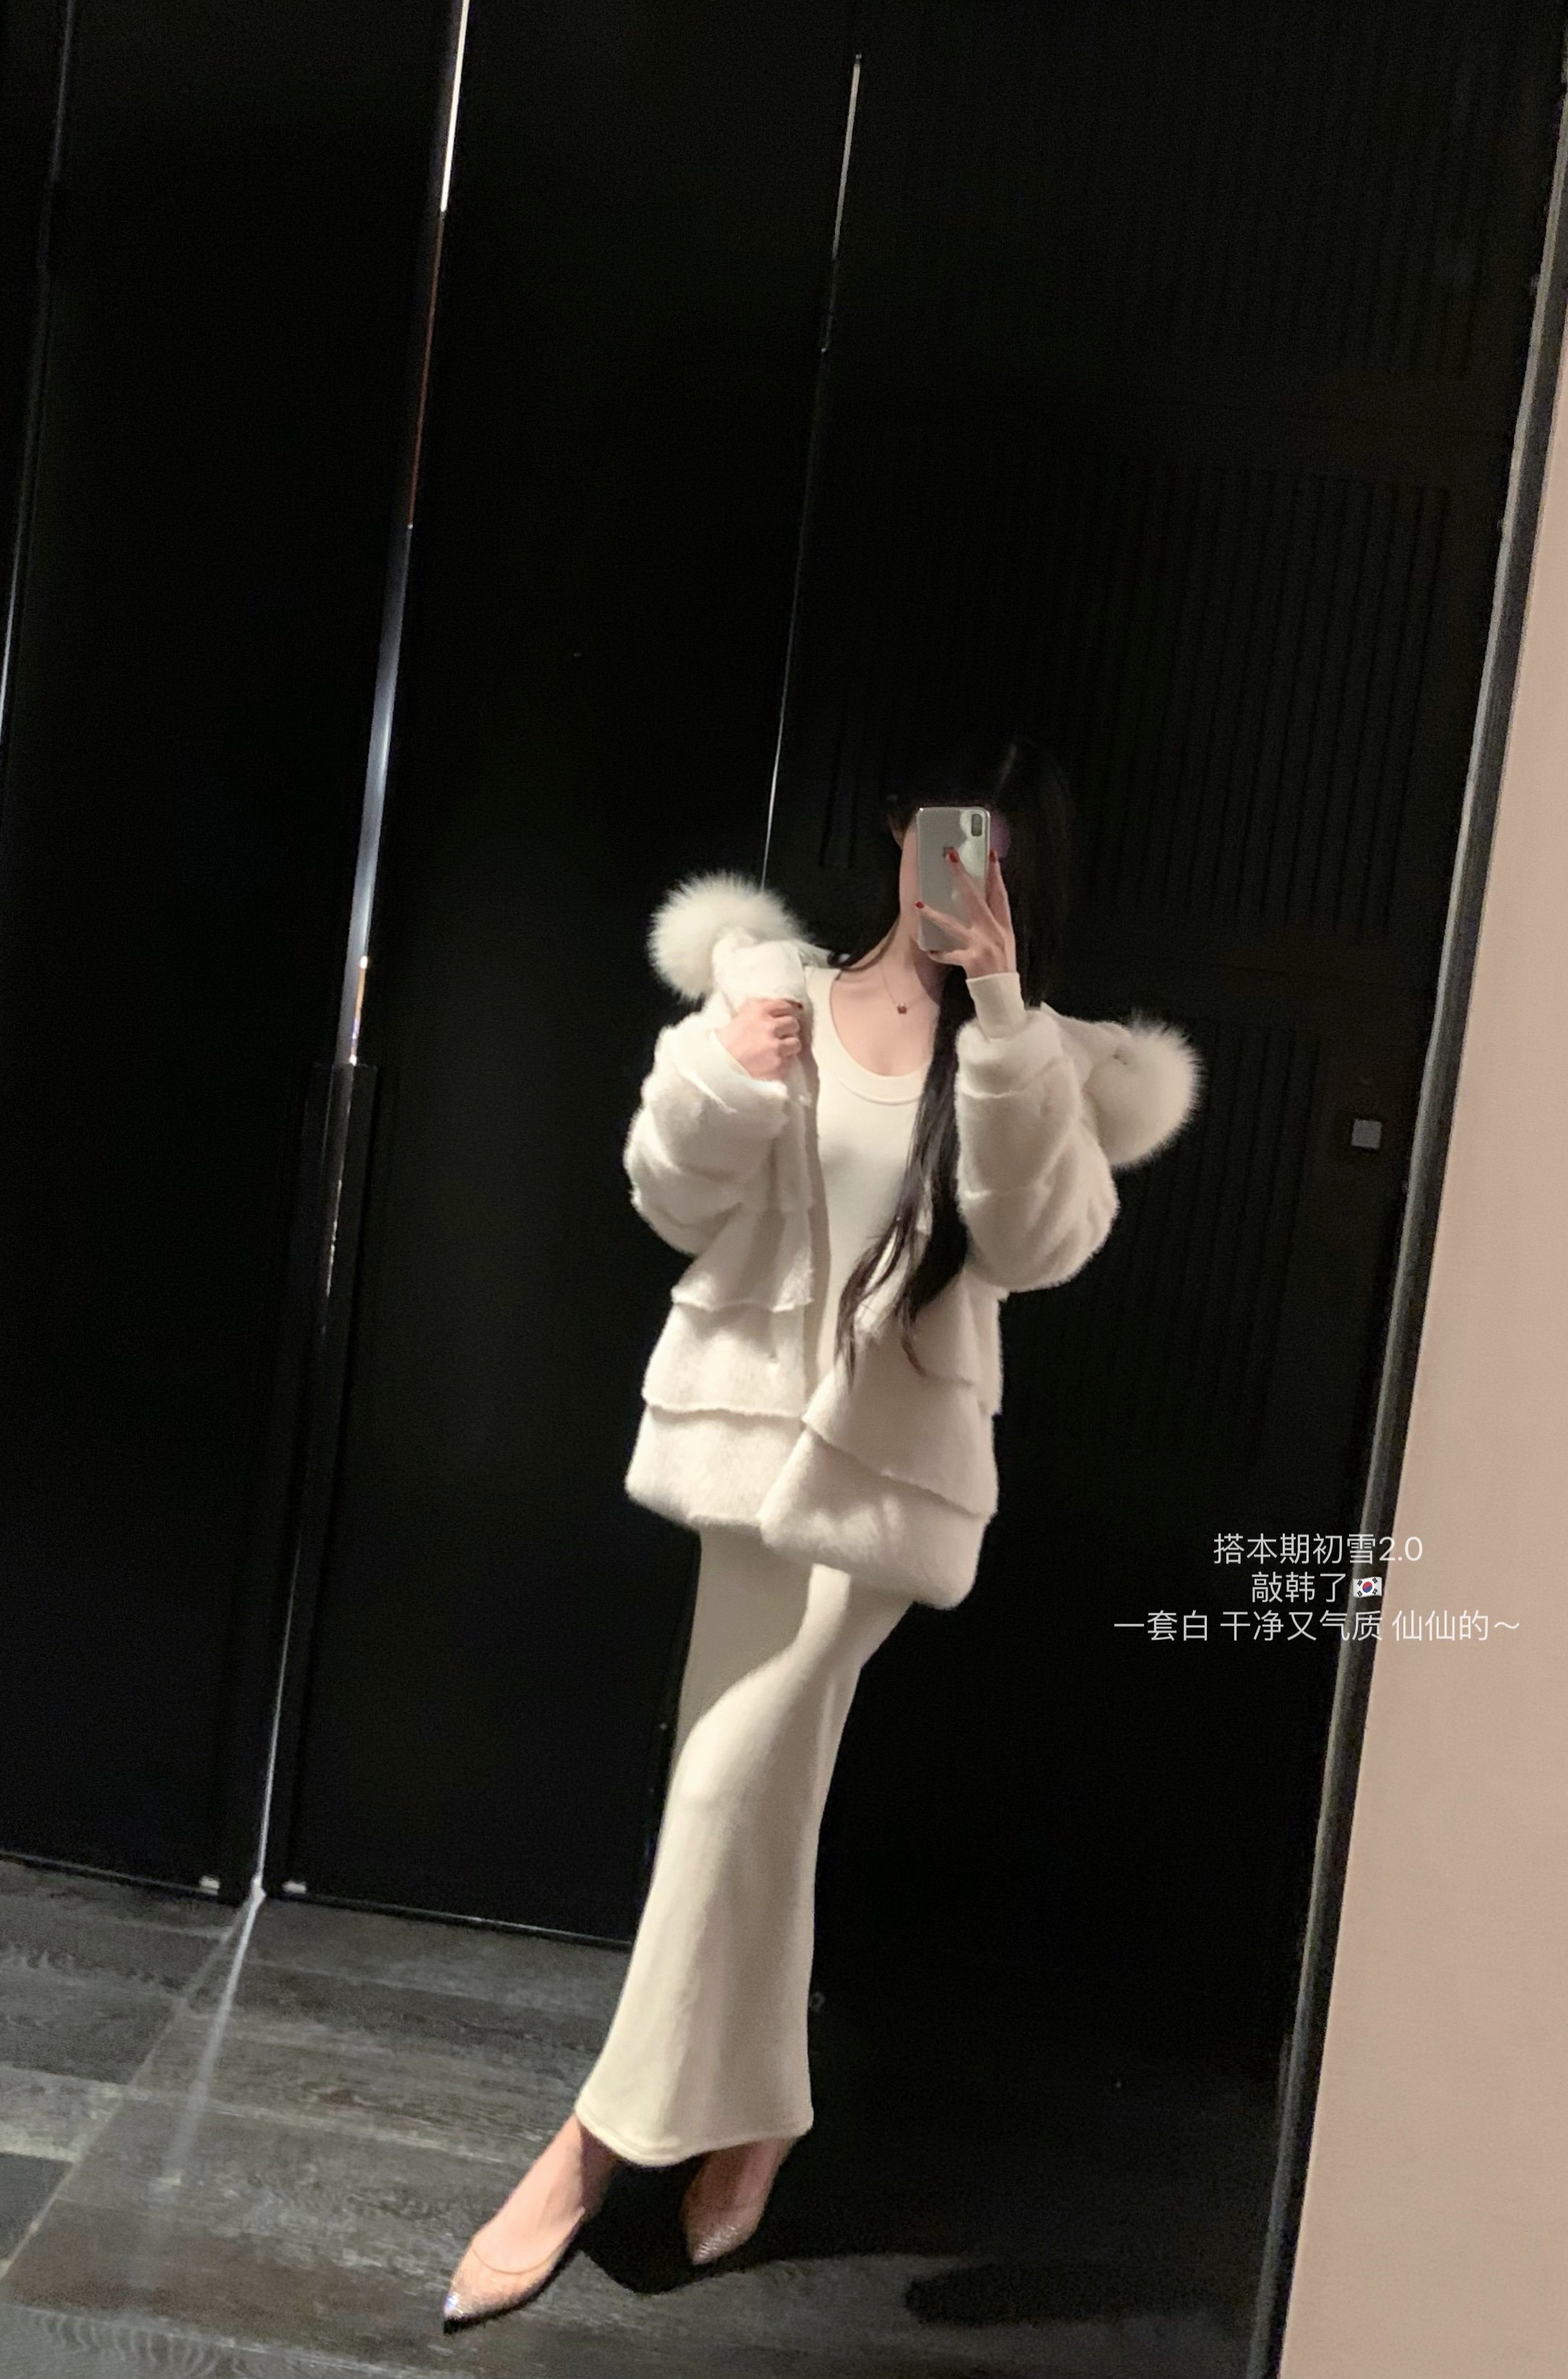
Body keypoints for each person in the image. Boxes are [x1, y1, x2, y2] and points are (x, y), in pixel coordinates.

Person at [443, 735, 1201, 2329]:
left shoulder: (1040, 1051)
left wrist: (1003, 1009)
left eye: (997, 848)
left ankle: (591, 2144)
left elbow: (1038, 1244)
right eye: (945, 831)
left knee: (727, 1782)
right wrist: (729, 1075)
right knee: (757, 1803)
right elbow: (665, 1196)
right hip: (743, 1459)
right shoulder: (771, 987)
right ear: (899, 830)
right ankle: (766, 2107)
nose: (963, 868)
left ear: (1029, 870)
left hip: (883, 1492)